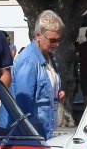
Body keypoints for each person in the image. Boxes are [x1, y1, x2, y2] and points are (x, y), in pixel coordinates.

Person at [10, 11, 65, 139]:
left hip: (43, 132)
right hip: (32, 135)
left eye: (59, 40)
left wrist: (56, 92)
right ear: (38, 35)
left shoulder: (48, 56)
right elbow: (23, 105)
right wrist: (34, 136)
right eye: (53, 40)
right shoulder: (29, 61)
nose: (57, 44)